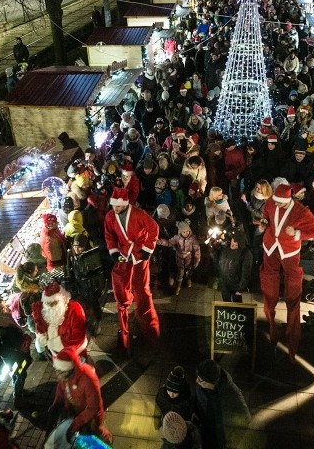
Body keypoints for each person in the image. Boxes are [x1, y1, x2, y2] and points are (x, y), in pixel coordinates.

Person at [260, 183, 314, 361]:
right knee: (269, 294)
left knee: (293, 296)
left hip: (290, 252)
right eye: (275, 202)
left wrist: (297, 232)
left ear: (289, 200)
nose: (277, 205)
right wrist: (263, 223)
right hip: (270, 248)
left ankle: (292, 341)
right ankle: (272, 332)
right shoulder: (271, 202)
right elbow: (265, 215)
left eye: (280, 203)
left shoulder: (300, 210)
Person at [104, 186, 161, 354]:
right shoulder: (110, 217)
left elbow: (154, 228)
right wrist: (114, 251)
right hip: (123, 255)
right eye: (114, 206)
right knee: (121, 292)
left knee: (142, 291)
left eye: (119, 206)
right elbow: (109, 235)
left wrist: (147, 249)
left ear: (126, 204)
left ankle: (151, 333)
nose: (116, 209)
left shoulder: (138, 213)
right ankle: (124, 332)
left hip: (139, 255)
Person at [47, 348, 112, 445]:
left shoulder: (88, 379)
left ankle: (107, 441)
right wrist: (56, 403)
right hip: (76, 411)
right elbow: (61, 388)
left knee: (96, 435)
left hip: (91, 419)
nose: (58, 375)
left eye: (60, 372)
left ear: (70, 369)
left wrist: (74, 425)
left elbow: (93, 408)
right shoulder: (65, 375)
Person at [192, 359, 250, 449]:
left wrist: (230, 440)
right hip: (204, 426)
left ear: (211, 382)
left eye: (200, 380)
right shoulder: (201, 385)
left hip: (219, 434)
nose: (196, 381)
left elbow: (246, 417)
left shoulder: (232, 393)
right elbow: (198, 399)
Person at [32, 281, 89, 359]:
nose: (51, 306)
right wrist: (41, 336)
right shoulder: (44, 310)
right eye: (48, 304)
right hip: (56, 356)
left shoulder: (75, 308)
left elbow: (78, 335)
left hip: (75, 354)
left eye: (54, 302)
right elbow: (40, 324)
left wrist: (53, 343)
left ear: (62, 298)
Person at [216, 228, 251, 303]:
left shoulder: (246, 254)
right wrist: (214, 248)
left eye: (236, 242)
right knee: (226, 305)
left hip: (236, 285)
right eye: (233, 240)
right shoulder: (226, 249)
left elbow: (246, 273)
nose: (233, 243)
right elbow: (217, 259)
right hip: (225, 284)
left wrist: (240, 289)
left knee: (237, 307)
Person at [170, 220, 201, 295]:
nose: (186, 233)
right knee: (180, 273)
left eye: (187, 231)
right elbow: (169, 242)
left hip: (189, 259)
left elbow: (197, 249)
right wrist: (159, 241)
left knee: (189, 271)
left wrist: (197, 260)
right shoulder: (177, 238)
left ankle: (188, 279)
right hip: (180, 260)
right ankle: (178, 286)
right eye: (184, 232)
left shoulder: (192, 238)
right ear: (180, 232)